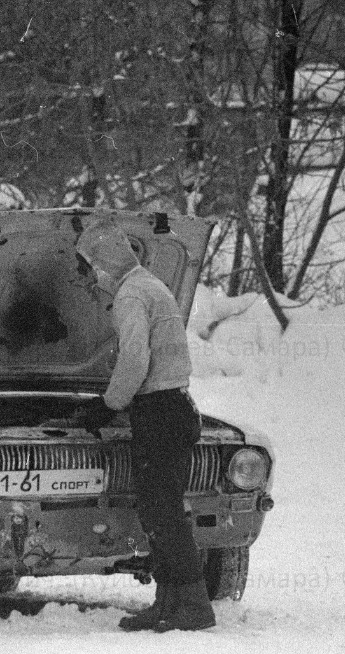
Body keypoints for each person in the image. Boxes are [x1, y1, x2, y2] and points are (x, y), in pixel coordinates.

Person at [77, 218, 214, 632]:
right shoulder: (150, 285)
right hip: (173, 408)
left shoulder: (130, 295)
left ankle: (193, 604)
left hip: (159, 412)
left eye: (87, 269)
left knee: (164, 512)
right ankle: (170, 601)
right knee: (160, 510)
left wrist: (108, 404)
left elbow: (135, 361)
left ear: (103, 263)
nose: (88, 281)